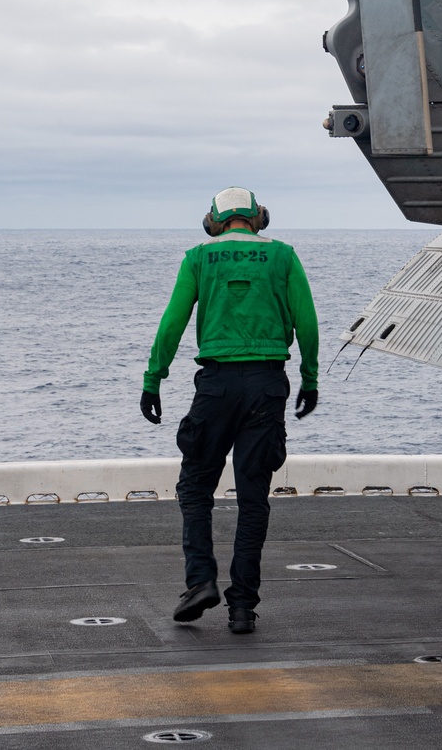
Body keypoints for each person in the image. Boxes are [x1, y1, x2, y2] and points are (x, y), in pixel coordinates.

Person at [140, 186, 319, 635]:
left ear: (214, 220)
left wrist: (153, 378)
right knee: (253, 497)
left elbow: (172, 323)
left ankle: (201, 582)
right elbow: (308, 321)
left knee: (196, 486)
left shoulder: (198, 256)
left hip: (216, 387)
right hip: (267, 385)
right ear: (259, 217)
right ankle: (242, 607)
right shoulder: (282, 255)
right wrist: (310, 378)